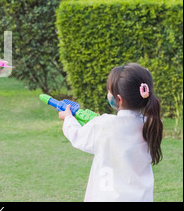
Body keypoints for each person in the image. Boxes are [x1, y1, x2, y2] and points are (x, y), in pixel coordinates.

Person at [59, 63, 163, 201]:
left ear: (118, 99)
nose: (108, 94)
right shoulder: (151, 125)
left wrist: (68, 119)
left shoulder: (104, 125)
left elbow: (77, 135)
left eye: (109, 91)